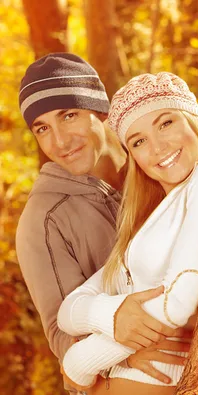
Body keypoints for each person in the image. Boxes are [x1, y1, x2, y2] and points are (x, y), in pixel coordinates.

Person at [56, 72, 198, 394]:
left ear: (193, 121)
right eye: (138, 141)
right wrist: (112, 315)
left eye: (166, 123)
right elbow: (69, 311)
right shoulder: (148, 221)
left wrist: (81, 361)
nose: (157, 148)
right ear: (134, 157)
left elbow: (178, 302)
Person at [16, 54, 187, 394]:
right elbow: (60, 331)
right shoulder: (44, 219)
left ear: (100, 112)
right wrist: (120, 359)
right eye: (43, 129)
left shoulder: (156, 165)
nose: (60, 142)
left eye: (69, 116)